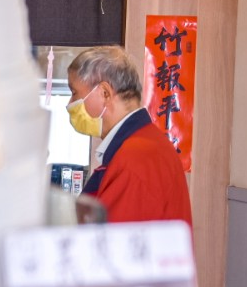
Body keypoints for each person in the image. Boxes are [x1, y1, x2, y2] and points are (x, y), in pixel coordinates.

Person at [65, 46, 192, 227]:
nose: (70, 104)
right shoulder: (142, 145)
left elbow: (110, 244)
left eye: (74, 92)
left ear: (104, 93)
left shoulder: (135, 158)